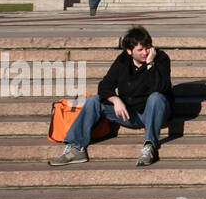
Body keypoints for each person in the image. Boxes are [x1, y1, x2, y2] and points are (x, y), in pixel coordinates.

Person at [50, 26, 173, 168]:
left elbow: (161, 87)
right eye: (140, 50)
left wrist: (151, 64)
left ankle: (149, 146)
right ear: (129, 51)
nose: (145, 52)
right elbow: (104, 86)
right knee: (94, 100)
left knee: (156, 97)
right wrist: (115, 100)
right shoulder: (122, 61)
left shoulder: (161, 58)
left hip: (155, 112)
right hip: (129, 113)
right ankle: (76, 148)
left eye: (147, 48)